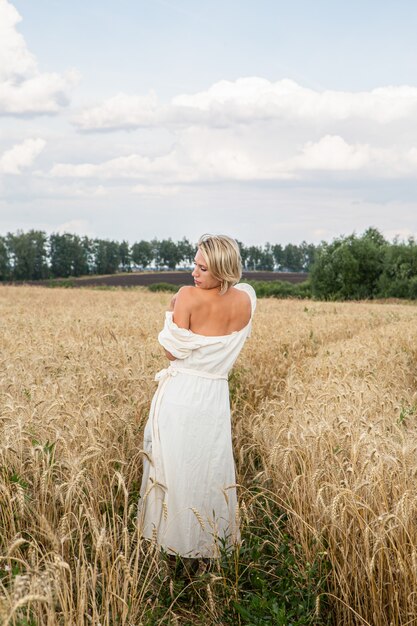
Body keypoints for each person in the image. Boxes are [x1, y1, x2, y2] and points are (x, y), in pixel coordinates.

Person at [137, 233, 257, 560]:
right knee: (210, 468)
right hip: (215, 396)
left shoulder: (187, 296)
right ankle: (210, 546)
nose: (194, 272)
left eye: (203, 267)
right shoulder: (247, 299)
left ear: (222, 269)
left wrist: (171, 307)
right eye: (194, 263)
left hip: (181, 395)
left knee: (173, 469)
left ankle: (170, 543)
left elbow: (170, 352)